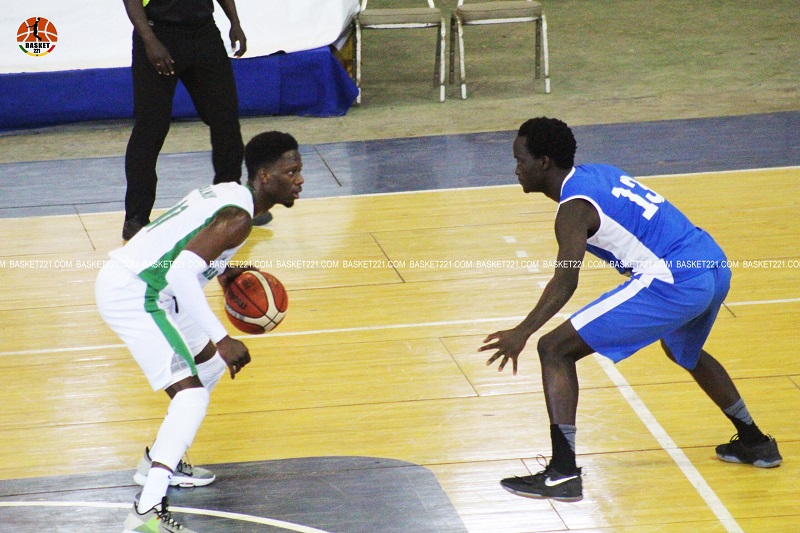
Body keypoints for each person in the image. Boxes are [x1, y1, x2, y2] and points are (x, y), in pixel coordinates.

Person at [479, 117, 781, 502]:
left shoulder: (573, 209)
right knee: (682, 351)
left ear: (544, 163)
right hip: (711, 262)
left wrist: (523, 331)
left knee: (553, 348)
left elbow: (566, 280)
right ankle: (755, 443)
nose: (515, 168)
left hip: (674, 278)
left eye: (520, 159)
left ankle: (562, 473)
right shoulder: (600, 173)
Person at [96, 131, 303, 532]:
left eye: (299, 170)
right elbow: (180, 272)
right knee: (190, 397)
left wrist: (224, 275)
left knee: (206, 370)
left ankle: (158, 461)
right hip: (139, 292)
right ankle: (146, 511)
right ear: (264, 176)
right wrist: (222, 338)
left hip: (157, 289)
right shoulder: (239, 218)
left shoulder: (231, 193)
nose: (299, 179)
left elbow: (188, 246)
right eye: (290, 171)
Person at [121, 0, 271, 242]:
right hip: (159, 33)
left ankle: (230, 203)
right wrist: (149, 40)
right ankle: (136, 218)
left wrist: (235, 22)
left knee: (226, 119)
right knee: (151, 127)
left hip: (204, 33)